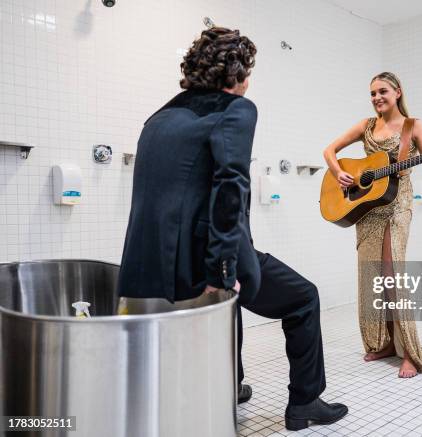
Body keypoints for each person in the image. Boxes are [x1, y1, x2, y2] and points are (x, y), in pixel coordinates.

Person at [117, 26, 347, 431]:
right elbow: (230, 188)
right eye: (249, 73)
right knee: (304, 298)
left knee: (236, 303)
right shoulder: (236, 109)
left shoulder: (158, 119)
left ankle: (230, 382)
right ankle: (305, 403)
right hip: (200, 260)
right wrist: (220, 276)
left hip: (146, 268)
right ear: (238, 77)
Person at [323, 72, 422, 378]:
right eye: (372, 93)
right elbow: (329, 151)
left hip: (397, 206)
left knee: (392, 275)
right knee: (372, 276)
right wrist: (338, 173)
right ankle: (384, 343)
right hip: (368, 207)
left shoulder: (414, 126)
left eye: (382, 91)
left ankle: (410, 353)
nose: (377, 98)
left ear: (398, 92)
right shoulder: (366, 126)